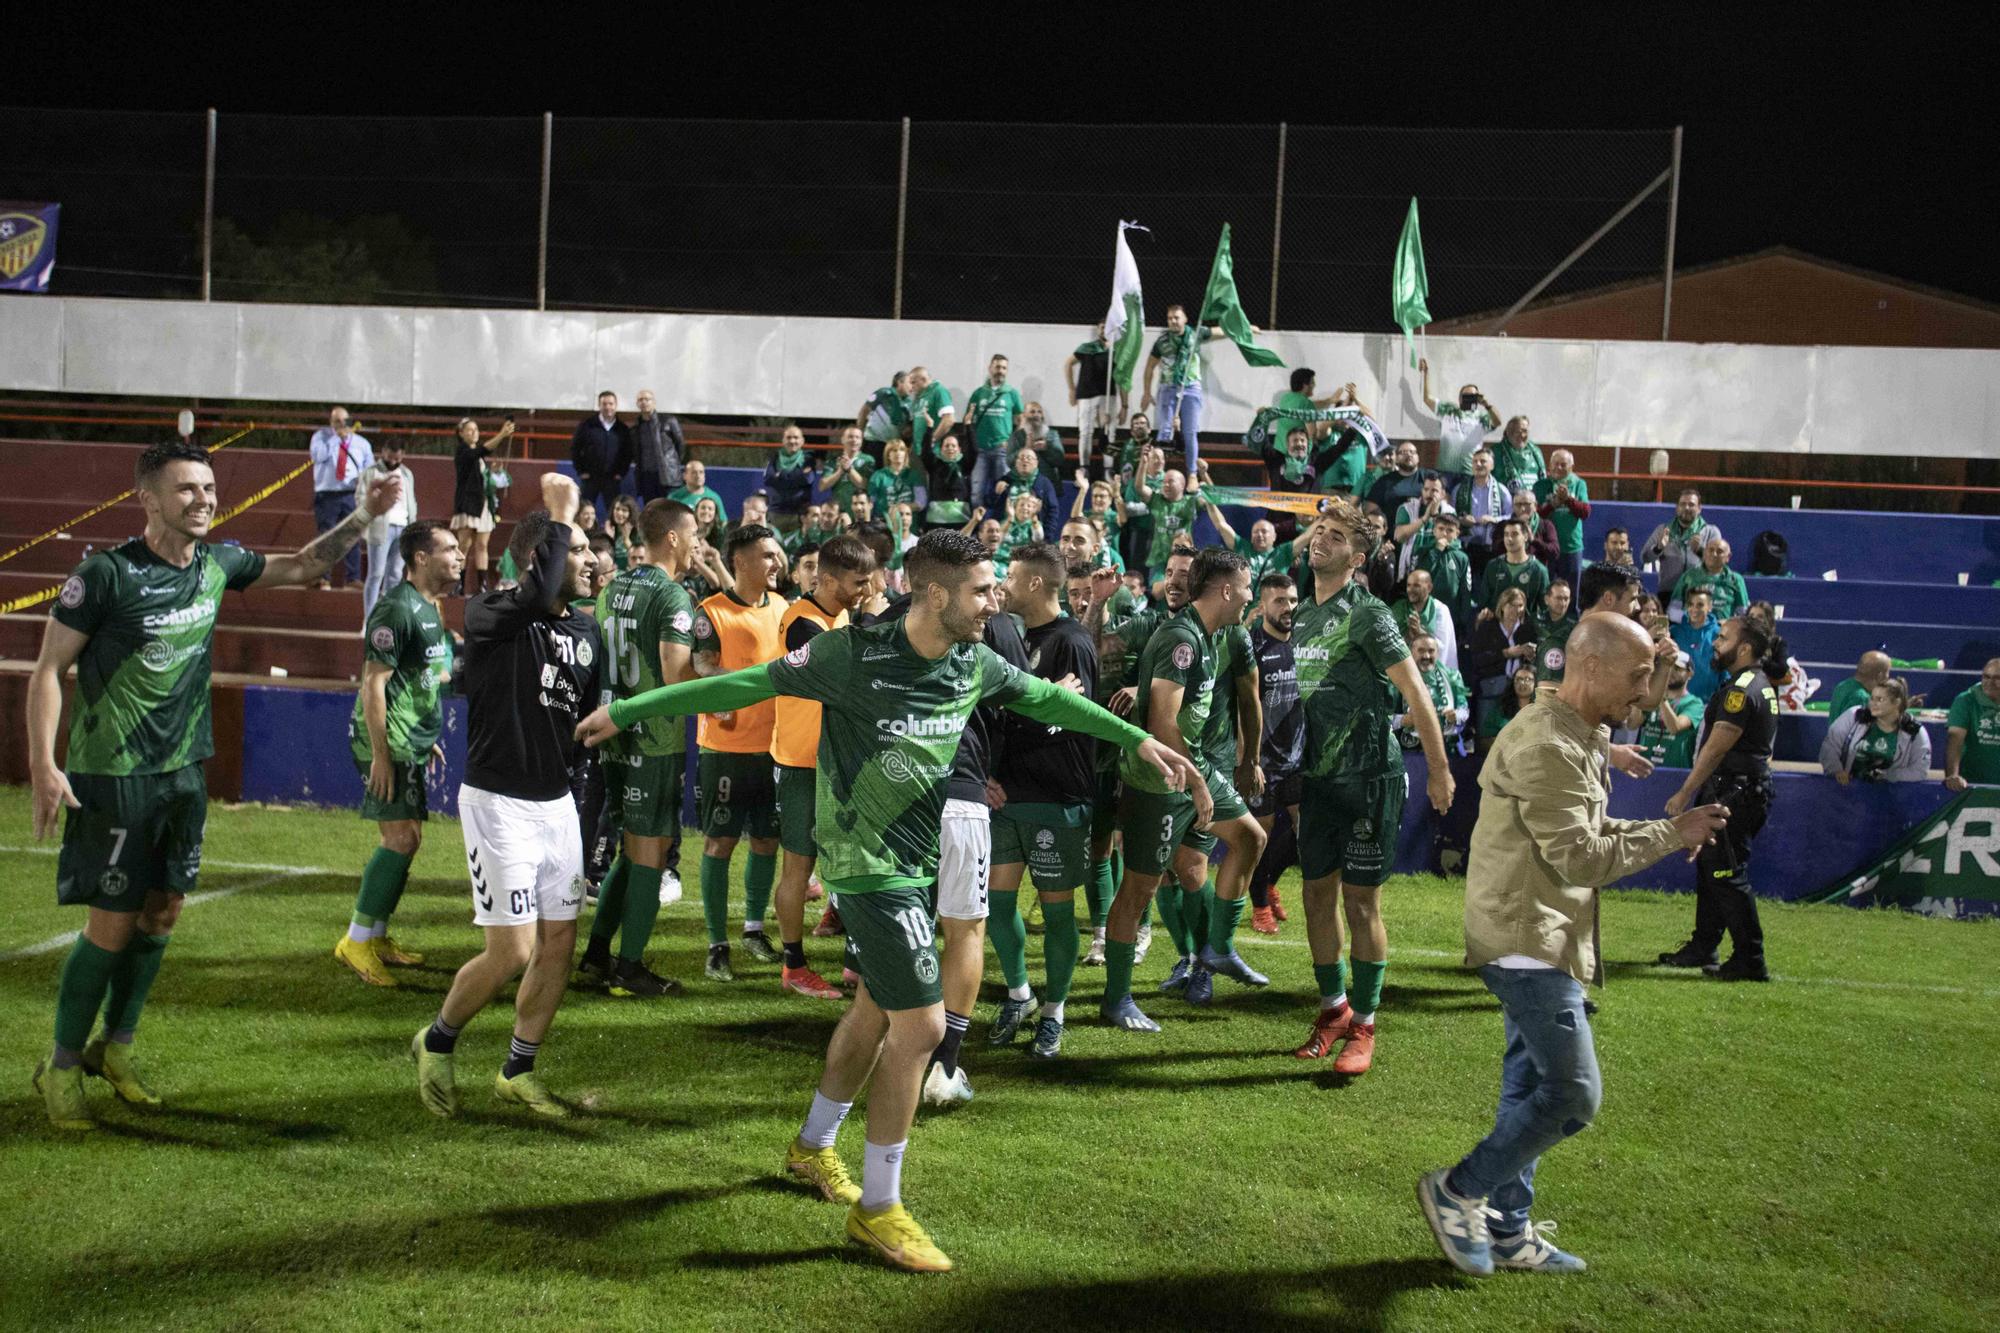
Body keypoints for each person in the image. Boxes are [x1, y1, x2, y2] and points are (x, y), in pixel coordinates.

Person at [576, 529, 1195, 1273]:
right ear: (933, 593)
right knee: (923, 1024)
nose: (993, 599)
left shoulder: (973, 660)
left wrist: (1139, 740)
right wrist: (636, 706)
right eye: (980, 589)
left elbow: (1042, 696)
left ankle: (810, 1147)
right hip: (866, 868)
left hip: (915, 859)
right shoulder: (852, 654)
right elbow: (748, 684)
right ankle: (879, 1208)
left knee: (874, 1012)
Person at [28, 440, 400, 1128]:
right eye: (187, 490)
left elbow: (302, 564)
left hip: (184, 774)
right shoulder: (106, 574)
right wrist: (45, 764)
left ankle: (118, 1047)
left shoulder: (217, 563)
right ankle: (58, 1066)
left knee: (163, 911)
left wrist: (362, 518)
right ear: (149, 497)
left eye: (208, 488)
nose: (203, 500)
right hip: (115, 776)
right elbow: (48, 668)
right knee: (110, 925)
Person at [1419, 615, 1728, 1278]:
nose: (1647, 692)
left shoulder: (1577, 733)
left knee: (1527, 1084)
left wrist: (1664, 827)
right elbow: (1581, 857)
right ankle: (1459, 1189)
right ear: (1590, 667)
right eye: (1638, 675)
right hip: (1526, 938)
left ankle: (1506, 1227)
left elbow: (1584, 828)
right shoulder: (1550, 743)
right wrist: (1673, 833)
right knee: (1573, 1093)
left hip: (1542, 932)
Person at [412, 472, 604, 1124]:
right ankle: (436, 1039)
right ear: (538, 557)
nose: (590, 559)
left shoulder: (588, 633)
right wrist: (558, 516)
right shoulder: (491, 614)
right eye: (575, 549)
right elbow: (529, 592)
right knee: (512, 951)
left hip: (559, 810)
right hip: (498, 803)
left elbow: (587, 725)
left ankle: (517, 1070)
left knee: (557, 946)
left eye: (587, 549)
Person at [1290, 501, 1455, 1072]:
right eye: (1320, 531)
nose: (1321, 541)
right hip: (1318, 780)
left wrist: (1437, 769)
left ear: (1357, 559)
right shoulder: (1302, 612)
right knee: (1315, 895)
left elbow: (1417, 694)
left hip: (1370, 778)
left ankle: (1364, 1024)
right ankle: (1333, 1007)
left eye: (1335, 537)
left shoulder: (1370, 615)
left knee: (1361, 903)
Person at [1098, 551, 1254, 1032]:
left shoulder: (1213, 635)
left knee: (1250, 839)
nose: (1250, 596)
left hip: (1191, 766)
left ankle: (1219, 948)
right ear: (1226, 591)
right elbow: (1162, 722)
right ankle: (1117, 999)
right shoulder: (1179, 638)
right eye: (1246, 587)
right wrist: (1199, 781)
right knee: (1139, 889)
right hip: (1158, 780)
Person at [571, 499, 702, 998]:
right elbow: (675, 674)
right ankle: (629, 969)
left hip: (614, 736)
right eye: (692, 535)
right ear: (671, 538)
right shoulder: (672, 596)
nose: (697, 545)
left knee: (631, 845)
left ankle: (597, 953)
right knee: (650, 852)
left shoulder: (614, 587)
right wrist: (719, 680)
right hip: (655, 737)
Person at [985, 543, 1100, 1059]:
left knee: (1057, 914)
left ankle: (1054, 1011)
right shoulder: (1005, 635)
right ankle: (1018, 994)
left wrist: (1030, 710)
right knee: (997, 905)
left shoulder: (1072, 641)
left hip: (1055, 796)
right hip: (1005, 795)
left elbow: (1068, 721)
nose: (1001, 585)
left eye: (1008, 576)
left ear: (1034, 583)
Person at [335, 519, 462, 987]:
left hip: (411, 741)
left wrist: (427, 741)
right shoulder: (395, 609)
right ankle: (356, 941)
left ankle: (377, 934)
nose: (460, 556)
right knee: (400, 839)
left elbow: (425, 680)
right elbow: (373, 684)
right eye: (449, 549)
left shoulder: (431, 606)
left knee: (409, 838)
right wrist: (382, 755)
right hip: (385, 741)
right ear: (421, 559)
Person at [770, 534, 878, 1002]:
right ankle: (794, 965)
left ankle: (856, 960)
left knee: (851, 860)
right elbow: (846, 666)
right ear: (827, 579)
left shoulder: (841, 615)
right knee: (799, 866)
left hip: (839, 758)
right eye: (858, 582)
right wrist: (872, 617)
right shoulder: (800, 621)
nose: (866, 588)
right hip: (802, 761)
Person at [689, 524, 790, 981]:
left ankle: (753, 928)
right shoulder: (712, 611)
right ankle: (716, 943)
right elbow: (703, 664)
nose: (777, 562)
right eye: (767, 555)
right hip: (726, 747)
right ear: (740, 562)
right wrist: (744, 687)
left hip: (776, 748)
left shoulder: (786, 609)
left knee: (768, 840)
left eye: (777, 554)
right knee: (721, 841)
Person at [1659, 616, 1780, 982]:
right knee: (1712, 869)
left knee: (1726, 872)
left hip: (1735, 791)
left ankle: (1750, 958)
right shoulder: (1756, 683)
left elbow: (1715, 748)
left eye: (1723, 637)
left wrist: (1685, 792)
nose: (1715, 642)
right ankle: (1704, 945)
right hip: (1741, 788)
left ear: (1744, 648)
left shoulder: (1742, 689)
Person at [1246, 573, 1304, 935]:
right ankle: (1259, 906)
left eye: (1293, 601)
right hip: (1262, 761)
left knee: (1306, 830)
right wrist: (1247, 759)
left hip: (1298, 757)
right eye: (1280, 601)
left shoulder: (1303, 643)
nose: (1288, 608)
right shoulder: (1252, 646)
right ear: (1263, 605)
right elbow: (1242, 707)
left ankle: (1269, 883)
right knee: (1261, 837)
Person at [1142, 304, 1233, 475]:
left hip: (1191, 387)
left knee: (1190, 433)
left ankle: (1191, 474)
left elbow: (1221, 332)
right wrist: (1146, 392)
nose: (1173, 321)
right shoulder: (1161, 342)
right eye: (1169, 318)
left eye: (1176, 317)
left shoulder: (1196, 334)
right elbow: (1149, 367)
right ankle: (1157, 474)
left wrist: (1245, 329)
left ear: (1185, 319)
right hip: (1168, 388)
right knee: (1165, 430)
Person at [309, 406, 374, 589]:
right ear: (331, 422)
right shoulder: (321, 438)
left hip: (350, 494)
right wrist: (335, 439)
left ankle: (352, 578)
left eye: (344, 421)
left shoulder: (361, 443)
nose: (340, 425)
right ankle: (323, 577)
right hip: (327, 493)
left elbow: (369, 468)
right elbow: (318, 457)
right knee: (326, 536)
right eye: (336, 421)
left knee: (352, 535)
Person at [1820, 677, 1931, 783]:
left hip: (1893, 796)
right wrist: (1837, 771)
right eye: (1872, 698)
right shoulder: (1855, 716)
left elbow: (1919, 771)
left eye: (1880, 699)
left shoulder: (1914, 731)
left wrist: (1888, 776)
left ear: (1897, 703)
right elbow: (1830, 746)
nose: (1873, 704)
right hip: (1847, 789)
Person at [450, 416, 514, 598]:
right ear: (461, 433)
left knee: (482, 545)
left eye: (476, 430)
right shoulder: (463, 452)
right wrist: (501, 434)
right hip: (468, 504)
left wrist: (492, 472)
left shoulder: (477, 458)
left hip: (482, 504)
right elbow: (482, 450)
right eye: (469, 430)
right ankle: (458, 582)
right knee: (464, 544)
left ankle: (483, 585)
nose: (473, 433)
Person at [358, 439, 419, 617]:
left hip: (403, 527)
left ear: (403, 456)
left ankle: (387, 616)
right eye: (389, 458)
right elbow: (361, 498)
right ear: (383, 452)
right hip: (379, 527)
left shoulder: (407, 474)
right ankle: (369, 619)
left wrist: (412, 524)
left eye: (397, 458)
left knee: (395, 574)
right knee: (376, 574)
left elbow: (411, 500)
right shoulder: (371, 472)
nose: (393, 462)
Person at [1467, 586, 1537, 732]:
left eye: (1520, 605)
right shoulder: (1488, 627)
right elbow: (1476, 659)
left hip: (1517, 689)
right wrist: (1505, 653)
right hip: (1490, 685)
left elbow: (1531, 663)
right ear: (1502, 606)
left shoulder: (1528, 629)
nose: (1516, 610)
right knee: (1486, 733)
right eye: (1511, 605)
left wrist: (1530, 656)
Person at [1417, 357, 1499, 476]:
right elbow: (1427, 399)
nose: (1469, 399)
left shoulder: (1482, 417)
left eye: (1473, 396)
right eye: (1466, 396)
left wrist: (1487, 404)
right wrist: (1426, 374)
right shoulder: (1449, 409)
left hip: (1469, 472)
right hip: (1445, 471)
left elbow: (1497, 422)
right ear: (1460, 398)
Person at [1640, 488, 1722, 607]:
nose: (1687, 508)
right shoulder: (1663, 530)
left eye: (1691, 504)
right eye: (1683, 504)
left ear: (1699, 508)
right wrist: (1658, 548)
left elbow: (1718, 564)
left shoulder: (1711, 532)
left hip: (1699, 594)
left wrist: (1699, 551)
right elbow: (1645, 558)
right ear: (1677, 508)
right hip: (1668, 594)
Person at [964, 354, 1023, 509]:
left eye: (1004, 368)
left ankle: (1002, 527)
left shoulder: (1012, 393)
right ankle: (977, 528)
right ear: (990, 368)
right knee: (976, 493)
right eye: (997, 367)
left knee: (1005, 492)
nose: (1000, 371)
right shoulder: (978, 394)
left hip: (1002, 450)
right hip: (980, 451)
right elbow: (969, 420)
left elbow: (1021, 421)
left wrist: (1011, 442)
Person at [1067, 323, 1125, 479]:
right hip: (1087, 395)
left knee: (1109, 432)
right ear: (1098, 330)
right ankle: (1084, 467)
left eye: (1108, 326)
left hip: (1109, 396)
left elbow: (1123, 379)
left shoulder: (1117, 351)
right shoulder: (1087, 348)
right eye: (1101, 326)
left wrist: (1124, 405)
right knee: (1085, 432)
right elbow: (1068, 364)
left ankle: (1108, 469)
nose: (1104, 329)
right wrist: (1072, 389)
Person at [1395, 633, 1468, 752]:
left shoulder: (1452, 677)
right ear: (1411, 652)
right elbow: (1383, 720)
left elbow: (1465, 711)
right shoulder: (1397, 678)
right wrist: (1404, 720)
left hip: (1445, 749)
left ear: (1437, 653)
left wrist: (1456, 715)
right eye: (1421, 651)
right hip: (1408, 752)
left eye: (1431, 651)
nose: (1426, 656)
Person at [1411, 511, 1474, 645]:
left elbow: (1465, 590)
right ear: (1434, 531)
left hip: (1452, 615)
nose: (1445, 533)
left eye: (1450, 530)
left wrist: (1463, 619)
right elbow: (1420, 575)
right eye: (1441, 529)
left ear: (1457, 533)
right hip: (1426, 613)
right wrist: (1437, 551)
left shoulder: (1462, 557)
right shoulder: (1423, 551)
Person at [1533, 450, 1591, 594]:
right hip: (1547, 547)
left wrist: (1568, 500)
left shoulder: (1579, 484)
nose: (1559, 468)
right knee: (1546, 591)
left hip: (1571, 546)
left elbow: (1585, 512)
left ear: (1571, 467)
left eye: (1563, 465)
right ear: (1549, 465)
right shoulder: (1540, 485)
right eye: (1555, 464)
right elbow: (1535, 517)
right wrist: (1552, 505)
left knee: (1570, 593)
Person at [1132, 465, 1199, 587]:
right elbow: (1139, 487)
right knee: (1157, 593)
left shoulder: (1190, 502)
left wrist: (1201, 477)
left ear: (1182, 485)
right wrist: (1144, 462)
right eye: (1164, 482)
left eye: (1170, 481)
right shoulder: (1157, 500)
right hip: (1159, 559)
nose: (1165, 485)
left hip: (1182, 559)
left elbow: (1210, 501)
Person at [570, 391, 633, 521]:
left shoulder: (623, 429)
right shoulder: (587, 425)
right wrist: (581, 470)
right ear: (599, 405)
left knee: (615, 513)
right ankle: (583, 539)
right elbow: (575, 449)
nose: (608, 407)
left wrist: (621, 473)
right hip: (590, 478)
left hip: (612, 479)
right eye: (604, 404)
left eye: (611, 403)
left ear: (616, 405)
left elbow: (628, 453)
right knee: (583, 511)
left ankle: (614, 539)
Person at [1453, 446, 1512, 576]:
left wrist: (1494, 519)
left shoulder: (1501, 490)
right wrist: (1461, 520)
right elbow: (1450, 516)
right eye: (1475, 461)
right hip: (1465, 546)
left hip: (1491, 547)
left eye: (1483, 461)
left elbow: (1510, 516)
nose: (1478, 464)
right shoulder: (1459, 489)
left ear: (1492, 465)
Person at [1637, 652, 1704, 768]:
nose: (1670, 672)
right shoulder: (1652, 698)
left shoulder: (1694, 703)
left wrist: (1661, 695)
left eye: (1677, 668)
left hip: (1676, 772)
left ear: (1690, 673)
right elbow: (1632, 724)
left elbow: (1675, 727)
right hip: (1645, 767)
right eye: (1668, 667)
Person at [1945, 658, 2000, 790]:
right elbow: (1955, 739)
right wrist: (1952, 775)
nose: (1990, 682)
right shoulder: (1965, 700)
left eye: (1997, 678)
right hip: (1971, 785)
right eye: (1986, 677)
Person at [1391, 568, 1459, 673]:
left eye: (1416, 586)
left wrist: (1419, 632)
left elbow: (1443, 647)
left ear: (1429, 587)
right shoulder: (1398, 608)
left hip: (1432, 672)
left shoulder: (1440, 610)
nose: (1410, 590)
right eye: (1408, 585)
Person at [1477, 518, 1550, 615]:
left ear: (1526, 536)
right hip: (1497, 627)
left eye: (1515, 534)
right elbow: (1483, 604)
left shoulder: (1539, 570)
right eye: (1506, 534)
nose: (1509, 539)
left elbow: (1545, 608)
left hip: (1526, 628)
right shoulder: (1493, 566)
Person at [1670, 537, 1749, 623]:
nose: (1714, 554)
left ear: (1728, 557)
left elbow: (1743, 613)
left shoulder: (1736, 579)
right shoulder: (1689, 576)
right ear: (1704, 553)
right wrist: (1690, 620)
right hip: (1692, 629)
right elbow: (1673, 609)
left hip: (1722, 630)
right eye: (1710, 550)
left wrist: (1727, 623)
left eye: (1719, 551)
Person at [991, 447, 1061, 541]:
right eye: (1022, 457)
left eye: (1029, 458)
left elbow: (1053, 511)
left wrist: (1047, 537)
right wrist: (996, 494)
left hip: (1033, 536)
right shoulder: (1006, 480)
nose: (1025, 460)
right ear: (1016, 463)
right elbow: (990, 504)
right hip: (1005, 534)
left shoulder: (1044, 483)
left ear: (1036, 463)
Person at [763, 423, 817, 533]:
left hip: (800, 515)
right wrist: (797, 476)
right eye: (788, 437)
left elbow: (807, 479)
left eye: (796, 438)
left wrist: (781, 476)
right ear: (783, 441)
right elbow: (768, 479)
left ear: (802, 441)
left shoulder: (808, 458)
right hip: (777, 513)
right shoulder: (774, 457)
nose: (792, 441)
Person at [1671, 588, 1723, 699]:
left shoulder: (1719, 633)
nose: (1694, 609)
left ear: (1709, 607)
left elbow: (1725, 669)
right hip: (1677, 702)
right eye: (1690, 604)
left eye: (1700, 605)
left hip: (1709, 703)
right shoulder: (1674, 632)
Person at [1365, 440, 1434, 521]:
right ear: (1396, 459)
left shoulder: (1429, 477)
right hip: (1392, 531)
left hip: (1422, 529)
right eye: (1403, 452)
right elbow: (1370, 508)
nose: (1408, 455)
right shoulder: (1385, 481)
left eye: (1412, 452)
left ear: (1418, 457)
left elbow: (1442, 500)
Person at [857, 370, 910, 466]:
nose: (912, 386)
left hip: (893, 447)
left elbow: (908, 426)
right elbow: (864, 412)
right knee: (871, 473)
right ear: (900, 382)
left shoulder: (909, 402)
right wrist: (859, 436)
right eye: (910, 382)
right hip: (873, 442)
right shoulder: (883, 393)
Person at [1008, 400, 1066, 486]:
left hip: (1048, 484)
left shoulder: (1052, 435)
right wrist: (1025, 449)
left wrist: (1047, 448)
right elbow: (1009, 461)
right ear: (1024, 415)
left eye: (1039, 412)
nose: (1036, 415)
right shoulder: (1017, 436)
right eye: (1032, 412)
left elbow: (1059, 461)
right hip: (1023, 485)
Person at [1479, 665, 1540, 747]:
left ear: (1535, 683)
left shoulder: (1542, 709)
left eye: (1528, 679)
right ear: (1513, 683)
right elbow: (1485, 738)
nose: (1522, 683)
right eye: (1518, 679)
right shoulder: (1501, 709)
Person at [1826, 650, 1892, 720]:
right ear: (1880, 676)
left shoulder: (1842, 686)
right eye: (1887, 672)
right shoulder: (1861, 698)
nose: (1888, 677)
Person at [1488, 414, 1546, 493]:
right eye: (1517, 432)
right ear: (1508, 433)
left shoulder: (1536, 451)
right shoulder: (1495, 452)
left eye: (1525, 431)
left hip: (1533, 500)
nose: (1522, 435)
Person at [668, 459, 729, 527]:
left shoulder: (714, 497)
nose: (698, 476)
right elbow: (668, 522)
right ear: (685, 476)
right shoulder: (674, 497)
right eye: (694, 472)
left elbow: (723, 522)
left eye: (701, 472)